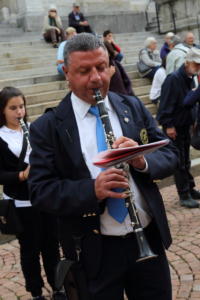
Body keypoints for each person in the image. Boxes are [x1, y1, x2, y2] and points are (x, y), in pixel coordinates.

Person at [29, 33, 178, 300]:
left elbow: (170, 154)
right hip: (93, 251)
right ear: (66, 73)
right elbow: (40, 191)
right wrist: (92, 190)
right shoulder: (47, 127)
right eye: (84, 71)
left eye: (101, 66)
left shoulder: (131, 106)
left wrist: (141, 160)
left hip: (146, 238)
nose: (96, 78)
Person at [0, 87, 67, 300]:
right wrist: (21, 175)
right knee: (29, 250)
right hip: (20, 202)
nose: (19, 112)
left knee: (51, 246)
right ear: (2, 110)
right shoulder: (0, 137)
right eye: (13, 108)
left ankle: (58, 287)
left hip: (44, 197)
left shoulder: (34, 129)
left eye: (21, 106)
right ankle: (36, 292)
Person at [157, 47, 200, 209]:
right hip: (174, 127)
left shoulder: (190, 77)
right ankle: (184, 194)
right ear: (187, 63)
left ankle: (190, 188)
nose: (198, 68)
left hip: (185, 125)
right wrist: (168, 125)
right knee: (179, 162)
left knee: (186, 160)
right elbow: (165, 106)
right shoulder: (173, 79)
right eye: (196, 65)